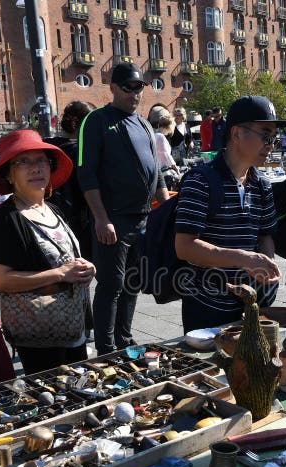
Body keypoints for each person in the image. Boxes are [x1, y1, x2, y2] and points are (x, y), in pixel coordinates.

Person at [78, 62, 169, 354]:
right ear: (113, 88)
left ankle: (125, 340)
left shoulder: (143, 123)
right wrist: (100, 218)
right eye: (128, 87)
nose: (134, 93)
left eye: (138, 87)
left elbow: (157, 170)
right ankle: (106, 347)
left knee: (132, 283)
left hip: (142, 217)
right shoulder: (96, 121)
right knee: (110, 284)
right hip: (114, 218)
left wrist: (166, 209)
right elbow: (86, 173)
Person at [0, 129, 95, 373]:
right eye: (23, 162)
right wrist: (60, 274)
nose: (35, 168)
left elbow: (65, 258)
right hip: (39, 333)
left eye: (40, 160)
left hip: (72, 325)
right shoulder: (8, 218)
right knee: (52, 399)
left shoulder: (53, 209)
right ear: (9, 174)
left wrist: (86, 267)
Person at [174, 96, 284, 332]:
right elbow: (184, 247)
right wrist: (243, 258)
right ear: (236, 134)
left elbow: (265, 235)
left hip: (251, 304)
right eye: (266, 134)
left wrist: (267, 265)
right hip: (207, 307)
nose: (271, 144)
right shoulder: (200, 180)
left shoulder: (262, 184)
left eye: (274, 137)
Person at [45, 101, 97, 341]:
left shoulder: (47, 147)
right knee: (80, 273)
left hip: (50, 216)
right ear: (80, 123)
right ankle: (82, 327)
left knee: (59, 275)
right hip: (77, 218)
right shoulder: (79, 149)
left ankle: (65, 325)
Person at [155, 115, 180, 189]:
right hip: (162, 171)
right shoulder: (160, 137)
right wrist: (176, 168)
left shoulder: (154, 134)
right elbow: (166, 155)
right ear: (170, 126)